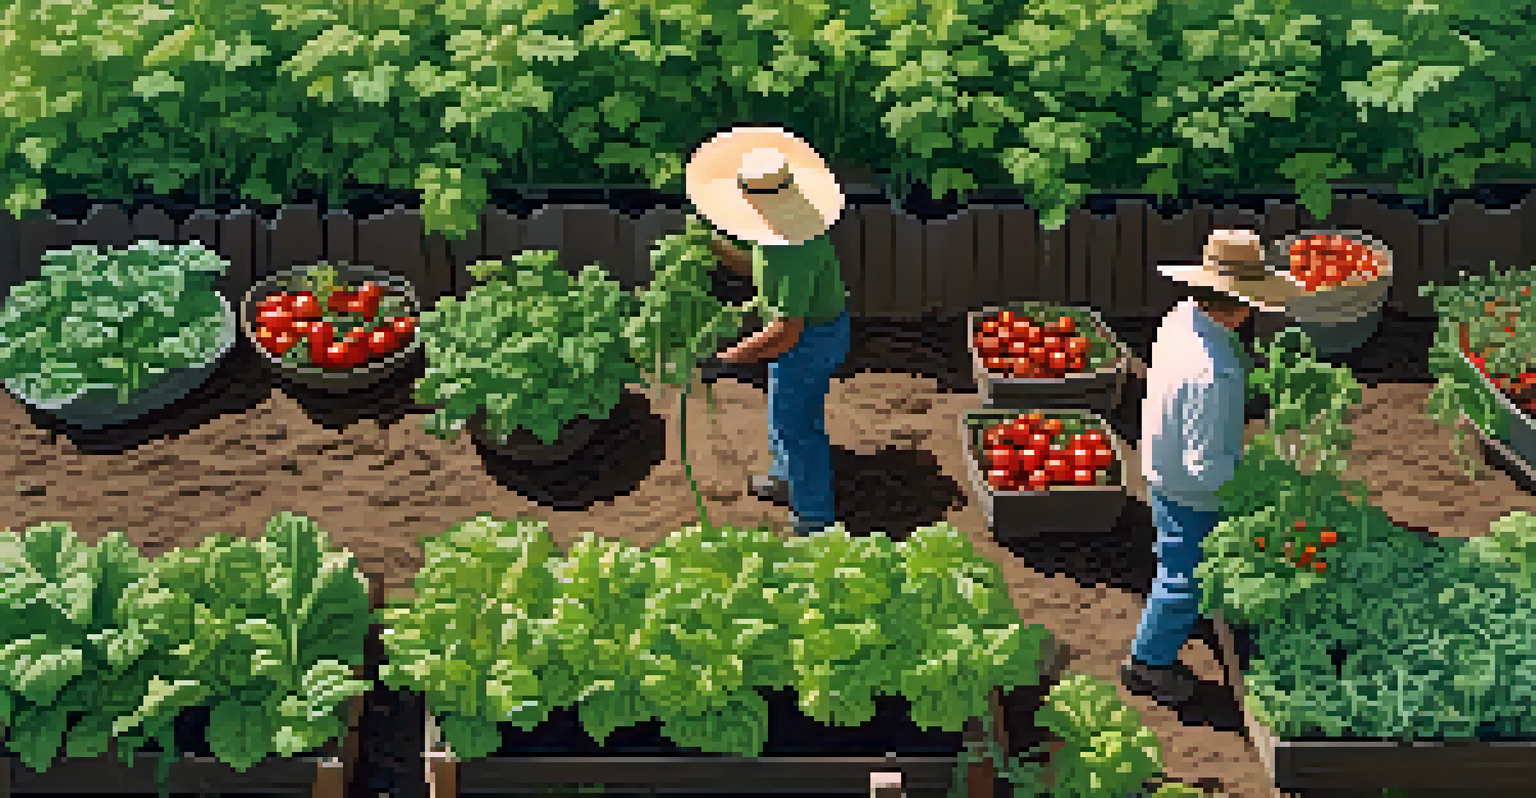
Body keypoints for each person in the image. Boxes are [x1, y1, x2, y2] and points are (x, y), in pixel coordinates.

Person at [1123, 229, 1297, 706]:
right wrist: (1258, 490)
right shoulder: (1213, 373)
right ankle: (1147, 663)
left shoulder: (1180, 318)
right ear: (1242, 305)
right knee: (1185, 574)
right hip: (1189, 487)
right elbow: (1205, 466)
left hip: (1161, 457)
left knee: (1176, 552)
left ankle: (1177, 625)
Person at [685, 126, 851, 536]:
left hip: (812, 340)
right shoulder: (779, 226)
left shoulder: (792, 249)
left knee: (798, 426)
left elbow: (785, 333)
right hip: (805, 333)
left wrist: (726, 360)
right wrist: (717, 249)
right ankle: (786, 479)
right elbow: (758, 266)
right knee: (782, 410)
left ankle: (814, 519)